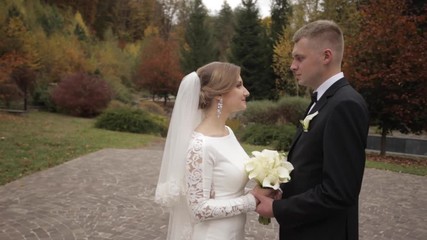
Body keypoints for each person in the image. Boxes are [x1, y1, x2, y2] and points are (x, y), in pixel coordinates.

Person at [253, 20, 370, 240]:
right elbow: (313, 169)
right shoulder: (322, 100)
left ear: (326, 56)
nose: (292, 66)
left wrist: (278, 209)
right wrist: (284, 192)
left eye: (299, 58)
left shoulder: (345, 105)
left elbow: (339, 192)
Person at [155, 62, 270, 240]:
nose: (246, 92)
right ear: (219, 95)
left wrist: (267, 181)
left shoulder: (228, 132)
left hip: (235, 232)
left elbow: (226, 184)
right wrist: (252, 200)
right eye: (239, 85)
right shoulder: (200, 145)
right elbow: (198, 209)